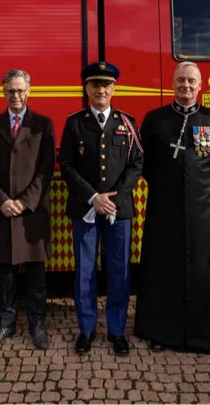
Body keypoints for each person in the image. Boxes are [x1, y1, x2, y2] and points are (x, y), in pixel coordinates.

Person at [134, 62, 210, 353]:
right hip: (163, 209)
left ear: (200, 85)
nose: (186, 86)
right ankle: (161, 332)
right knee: (163, 269)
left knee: (203, 270)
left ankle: (205, 330)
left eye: (191, 81)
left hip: (202, 211)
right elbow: (145, 164)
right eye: (181, 80)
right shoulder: (155, 119)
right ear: (172, 83)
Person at [59, 61, 143, 356]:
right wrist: (93, 197)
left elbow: (136, 164)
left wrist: (114, 200)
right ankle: (86, 329)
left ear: (114, 89)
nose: (101, 90)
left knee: (119, 272)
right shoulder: (75, 123)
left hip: (119, 212)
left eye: (106, 85)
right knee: (85, 272)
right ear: (87, 89)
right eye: (95, 85)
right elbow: (66, 165)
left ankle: (117, 330)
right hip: (85, 209)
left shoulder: (127, 123)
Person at [0, 69, 56, 351]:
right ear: (3, 92)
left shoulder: (43, 125)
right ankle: (6, 323)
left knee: (36, 273)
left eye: (21, 90)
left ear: (29, 92)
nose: (16, 95)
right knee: (6, 273)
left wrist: (25, 201)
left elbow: (47, 167)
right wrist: (2, 200)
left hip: (32, 212)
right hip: (3, 211)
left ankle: (37, 325)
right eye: (11, 90)